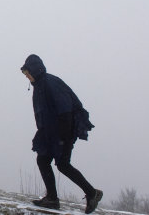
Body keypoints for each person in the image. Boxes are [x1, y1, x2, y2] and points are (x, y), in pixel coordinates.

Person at [21, 54, 102, 213]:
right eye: (25, 74)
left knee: (63, 164)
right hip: (50, 132)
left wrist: (64, 137)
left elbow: (65, 109)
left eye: (27, 72)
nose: (26, 76)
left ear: (35, 70)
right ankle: (52, 199)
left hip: (64, 130)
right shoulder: (39, 85)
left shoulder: (50, 83)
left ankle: (92, 193)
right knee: (43, 159)